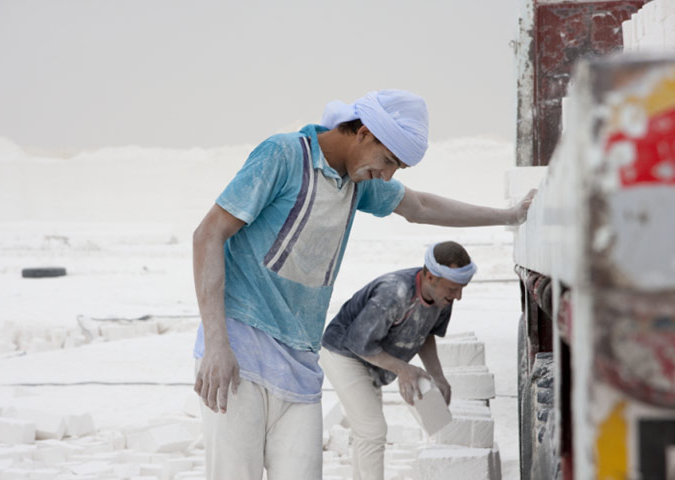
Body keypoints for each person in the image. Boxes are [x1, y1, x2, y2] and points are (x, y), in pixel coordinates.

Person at [191, 89, 534, 480]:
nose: (386, 175)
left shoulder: (358, 182)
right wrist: (218, 343)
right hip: (240, 350)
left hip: (301, 359)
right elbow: (207, 235)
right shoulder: (284, 156)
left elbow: (420, 207)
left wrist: (510, 215)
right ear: (364, 132)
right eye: (387, 160)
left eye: (396, 168)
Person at [320, 241, 475, 480]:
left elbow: (426, 332)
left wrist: (437, 375)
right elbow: (359, 342)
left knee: (366, 433)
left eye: (462, 288)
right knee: (373, 430)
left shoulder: (443, 299)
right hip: (344, 353)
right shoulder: (395, 293)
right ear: (430, 276)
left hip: (375, 357)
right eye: (453, 289)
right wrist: (404, 369)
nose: (459, 296)